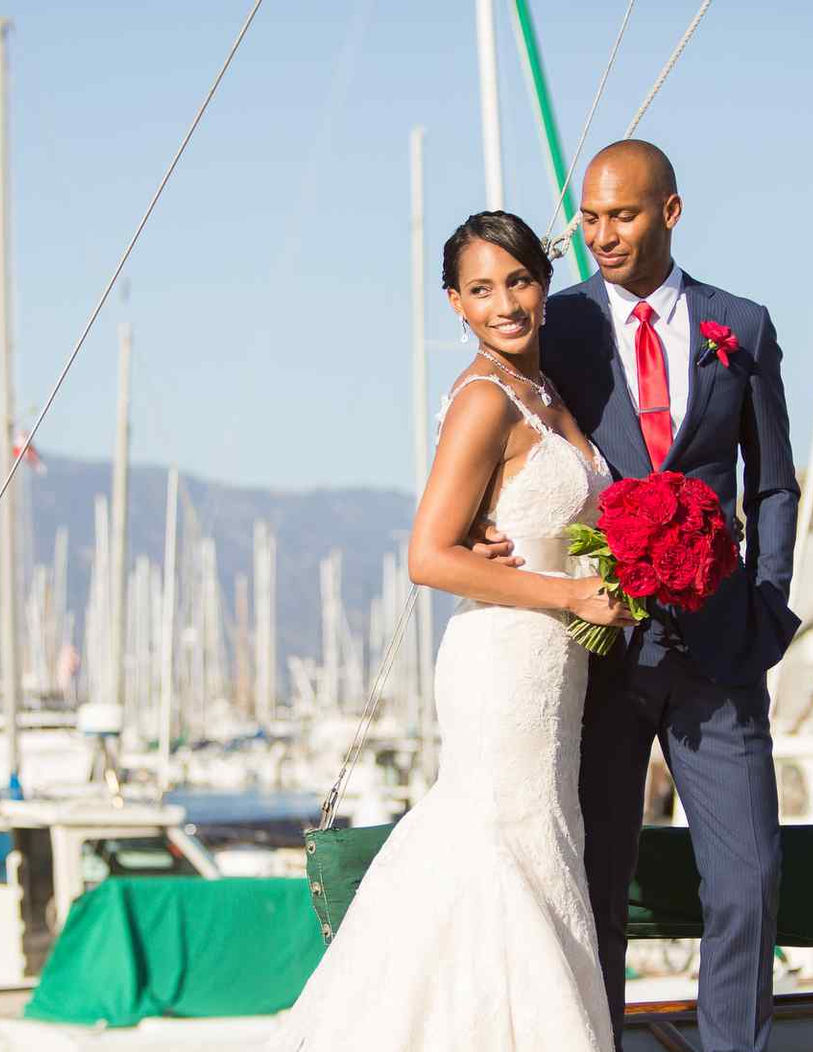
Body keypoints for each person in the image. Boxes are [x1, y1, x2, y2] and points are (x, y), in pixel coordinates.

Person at [267, 210, 632, 1051]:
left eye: (519, 281)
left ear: (544, 284)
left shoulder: (545, 392)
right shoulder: (483, 399)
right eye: (482, 289)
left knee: (536, 848)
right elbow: (428, 557)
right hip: (503, 660)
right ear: (455, 304)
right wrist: (570, 596)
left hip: (555, 664)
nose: (505, 304)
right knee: (497, 843)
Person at [482, 139, 801, 1052]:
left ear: (670, 211)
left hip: (722, 647)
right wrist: (486, 527)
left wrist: (766, 606)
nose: (601, 235)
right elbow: (500, 426)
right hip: (597, 650)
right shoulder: (558, 323)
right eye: (589, 218)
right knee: (595, 887)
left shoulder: (740, 325)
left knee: (749, 881)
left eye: (621, 215)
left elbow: (773, 482)